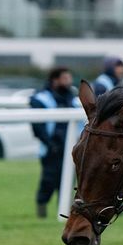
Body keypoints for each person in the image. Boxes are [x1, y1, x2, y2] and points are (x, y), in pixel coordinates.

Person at [30, 67, 77, 218]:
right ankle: (41, 213)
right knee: (48, 181)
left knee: (68, 184)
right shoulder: (41, 98)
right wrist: (50, 144)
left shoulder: (73, 99)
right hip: (51, 149)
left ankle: (64, 214)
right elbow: (37, 127)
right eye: (65, 78)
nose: (69, 82)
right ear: (55, 80)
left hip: (70, 149)